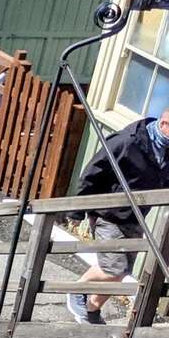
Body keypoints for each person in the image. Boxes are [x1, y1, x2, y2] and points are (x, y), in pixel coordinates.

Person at [65, 108, 169, 324]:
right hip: (109, 213)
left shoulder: (166, 151)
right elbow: (92, 172)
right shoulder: (127, 142)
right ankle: (77, 290)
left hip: (134, 217)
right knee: (115, 268)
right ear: (165, 123)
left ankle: (91, 311)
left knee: (122, 272)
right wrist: (76, 210)